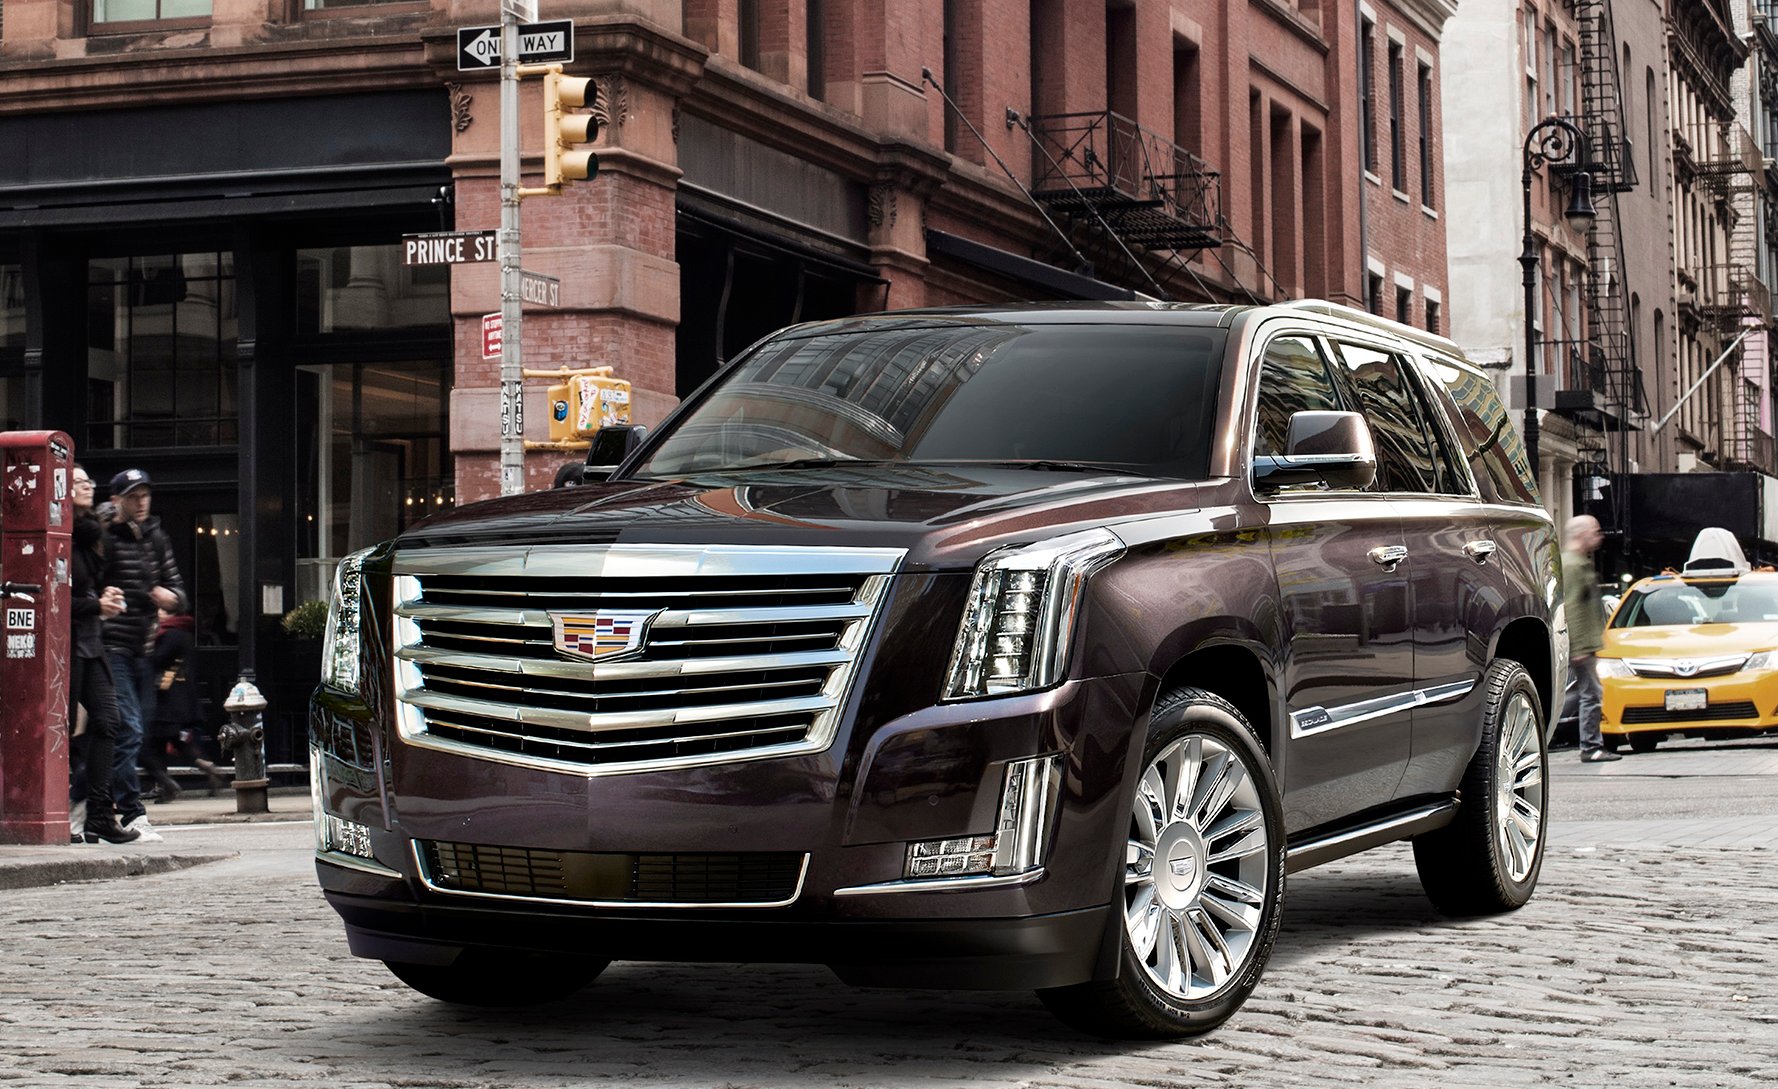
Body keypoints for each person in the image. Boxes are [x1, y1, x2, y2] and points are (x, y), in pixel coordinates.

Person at [100, 468, 187, 840]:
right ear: (116, 499)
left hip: (144, 648)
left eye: (145, 495)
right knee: (130, 728)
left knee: (131, 732)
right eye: (133, 496)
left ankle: (83, 802)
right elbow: (86, 583)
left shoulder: (156, 537)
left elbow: (179, 590)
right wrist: (105, 599)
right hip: (110, 645)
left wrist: (171, 597)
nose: (141, 502)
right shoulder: (102, 536)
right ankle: (133, 813)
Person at [68, 465, 139, 844]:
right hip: (65, 643)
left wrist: (103, 600)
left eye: (87, 482)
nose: (86, 486)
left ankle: (99, 815)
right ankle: (58, 811)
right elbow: (55, 597)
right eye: (78, 481)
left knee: (109, 722)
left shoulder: (89, 532)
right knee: (60, 730)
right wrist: (97, 605)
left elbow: (84, 589)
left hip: (90, 640)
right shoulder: (59, 534)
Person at [142, 606, 225, 802]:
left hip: (168, 699)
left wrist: (146, 649)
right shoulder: (183, 632)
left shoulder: (171, 634)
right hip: (178, 698)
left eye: (162, 610)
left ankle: (166, 785)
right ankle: (207, 768)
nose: (159, 613)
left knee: (154, 743)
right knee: (175, 741)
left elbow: (156, 659)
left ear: (173, 613)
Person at [1563, 514, 1621, 764]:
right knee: (1591, 693)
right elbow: (1572, 606)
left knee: (1588, 692)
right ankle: (1591, 746)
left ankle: (1590, 744)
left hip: (1586, 643)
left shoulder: (1579, 563)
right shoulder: (1573, 565)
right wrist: (1577, 645)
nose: (1598, 536)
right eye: (1594, 531)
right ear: (1581, 534)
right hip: (1582, 645)